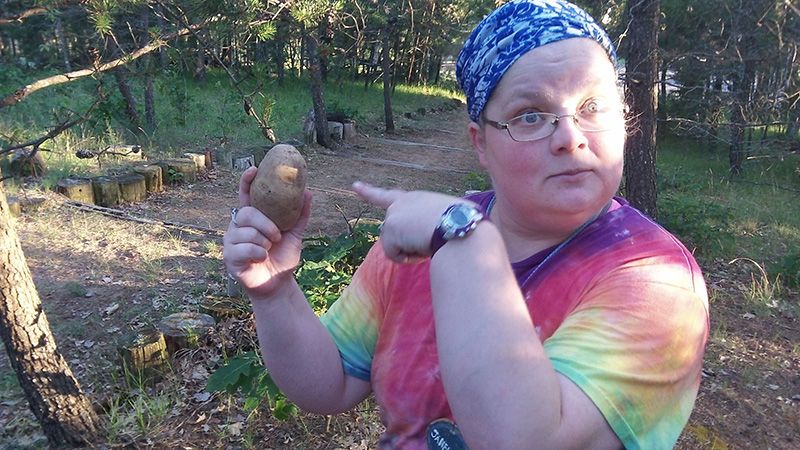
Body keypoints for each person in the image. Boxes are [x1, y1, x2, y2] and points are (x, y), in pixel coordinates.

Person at [223, 0, 710, 448]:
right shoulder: (432, 237)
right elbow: (329, 383)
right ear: (480, 142)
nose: (570, 137)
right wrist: (274, 291)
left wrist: (464, 239)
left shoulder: (656, 280)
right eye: (530, 115)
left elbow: (524, 440)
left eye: (592, 107)